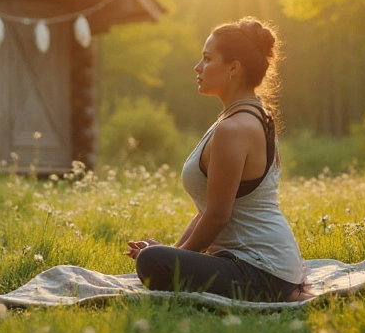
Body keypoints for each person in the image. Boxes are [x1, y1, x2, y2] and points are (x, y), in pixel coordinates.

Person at [126, 18, 312, 302]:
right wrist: (175, 253)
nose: (197, 67)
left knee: (152, 262)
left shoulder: (233, 128)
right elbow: (209, 210)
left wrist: (168, 258)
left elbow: (217, 217)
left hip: (262, 273)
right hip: (272, 270)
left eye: (207, 59)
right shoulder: (248, 116)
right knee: (155, 258)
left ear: (234, 68)